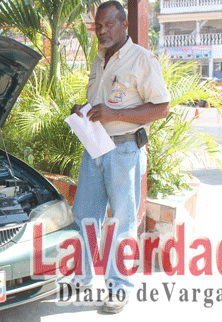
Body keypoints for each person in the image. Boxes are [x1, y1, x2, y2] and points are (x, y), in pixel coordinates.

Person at [69, 1, 170, 314]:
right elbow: (100, 105)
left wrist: (116, 113)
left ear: (124, 24)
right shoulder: (100, 59)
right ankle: (83, 278)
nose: (102, 31)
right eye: (99, 26)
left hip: (125, 150)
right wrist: (83, 112)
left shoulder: (142, 60)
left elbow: (161, 107)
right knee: (84, 215)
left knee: (122, 222)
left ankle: (118, 288)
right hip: (95, 147)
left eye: (109, 24)